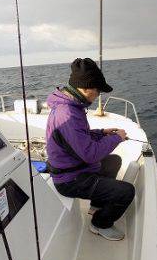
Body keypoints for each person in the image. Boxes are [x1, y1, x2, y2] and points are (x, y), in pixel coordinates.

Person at [46, 58, 135, 241]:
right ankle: (99, 224)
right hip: (70, 179)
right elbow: (89, 154)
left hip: (76, 168)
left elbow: (79, 136)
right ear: (86, 88)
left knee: (114, 160)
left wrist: (102, 132)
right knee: (126, 191)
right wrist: (117, 138)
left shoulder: (71, 106)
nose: (98, 94)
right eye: (98, 90)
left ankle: (96, 204)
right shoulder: (68, 114)